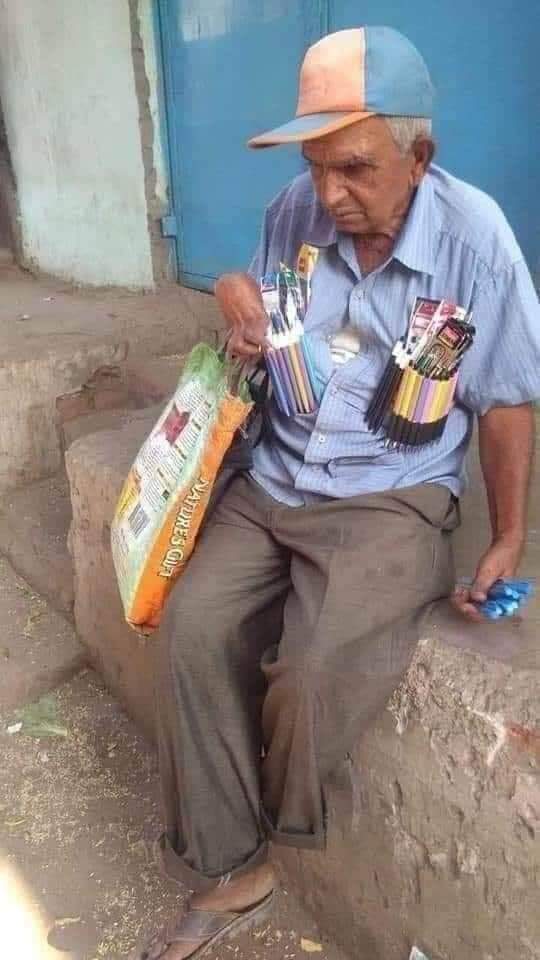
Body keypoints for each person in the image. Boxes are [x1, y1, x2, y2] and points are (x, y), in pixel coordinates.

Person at [135, 26, 540, 960]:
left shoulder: (475, 237)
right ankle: (234, 867)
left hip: (391, 494)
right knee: (192, 628)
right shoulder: (296, 208)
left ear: (419, 158)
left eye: (354, 168)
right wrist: (233, 296)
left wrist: (507, 535)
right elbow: (262, 305)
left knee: (314, 671)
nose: (328, 195)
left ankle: (282, 814)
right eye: (316, 167)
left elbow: (507, 400)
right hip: (275, 471)